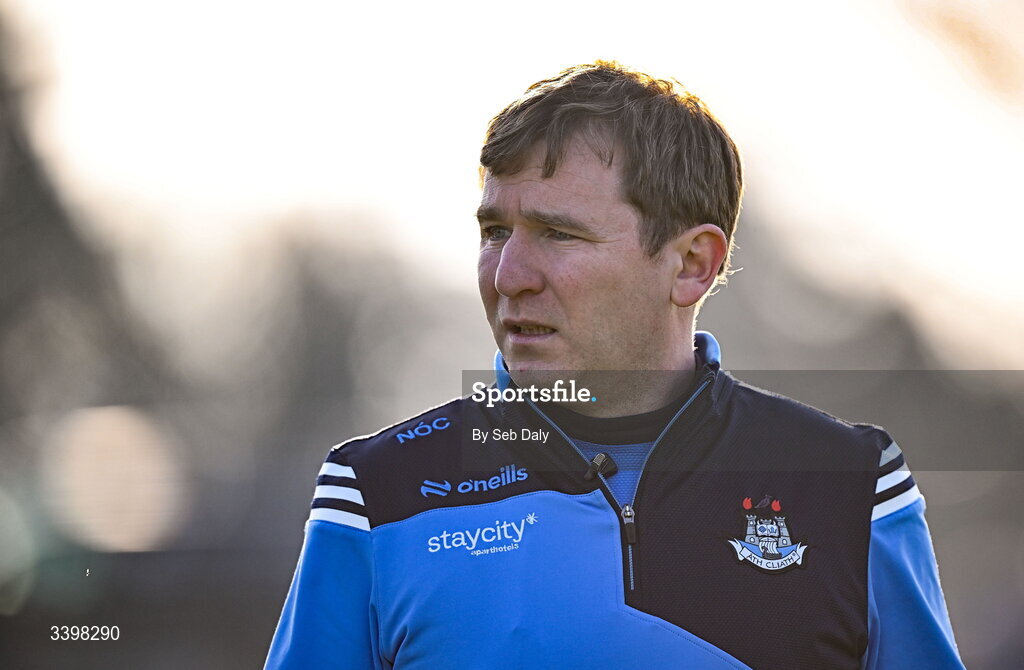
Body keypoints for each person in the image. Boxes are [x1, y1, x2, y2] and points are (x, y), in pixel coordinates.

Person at [264, 61, 964, 669]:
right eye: (495, 231)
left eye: (557, 235)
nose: (508, 275)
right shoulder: (377, 493)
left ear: (692, 265)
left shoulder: (852, 485)